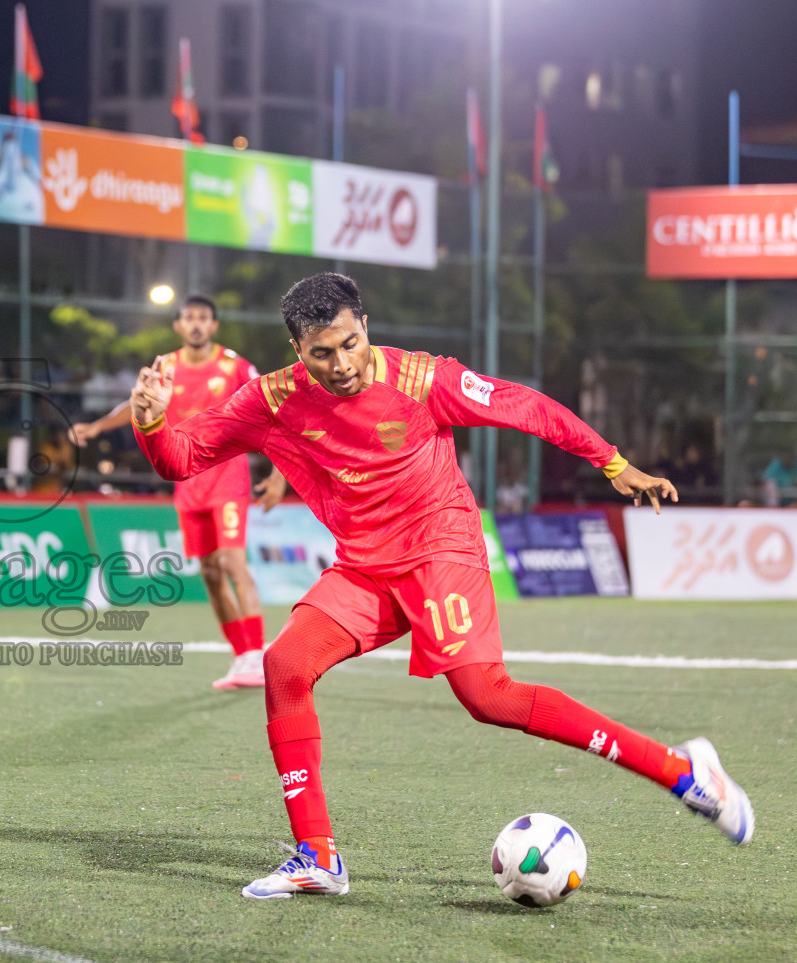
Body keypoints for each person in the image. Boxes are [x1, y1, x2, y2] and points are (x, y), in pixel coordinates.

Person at [130, 272, 754, 900]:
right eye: (322, 352)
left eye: (349, 343)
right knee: (286, 663)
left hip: (441, 548)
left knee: (489, 698)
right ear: (298, 350)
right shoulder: (271, 401)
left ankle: (682, 772)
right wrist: (152, 423)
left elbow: (526, 406)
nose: (341, 364)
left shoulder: (425, 379)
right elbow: (180, 458)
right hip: (365, 567)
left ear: (365, 327)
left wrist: (612, 464)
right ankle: (317, 855)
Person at [70, 295, 285, 689]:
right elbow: (139, 404)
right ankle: (242, 658)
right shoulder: (165, 367)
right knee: (208, 571)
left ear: (214, 325)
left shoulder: (234, 366)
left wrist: (278, 473)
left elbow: (272, 410)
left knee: (233, 563)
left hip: (228, 475)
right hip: (186, 480)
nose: (197, 324)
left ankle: (256, 654)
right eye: (190, 318)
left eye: (204, 318)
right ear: (179, 326)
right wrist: (97, 427)